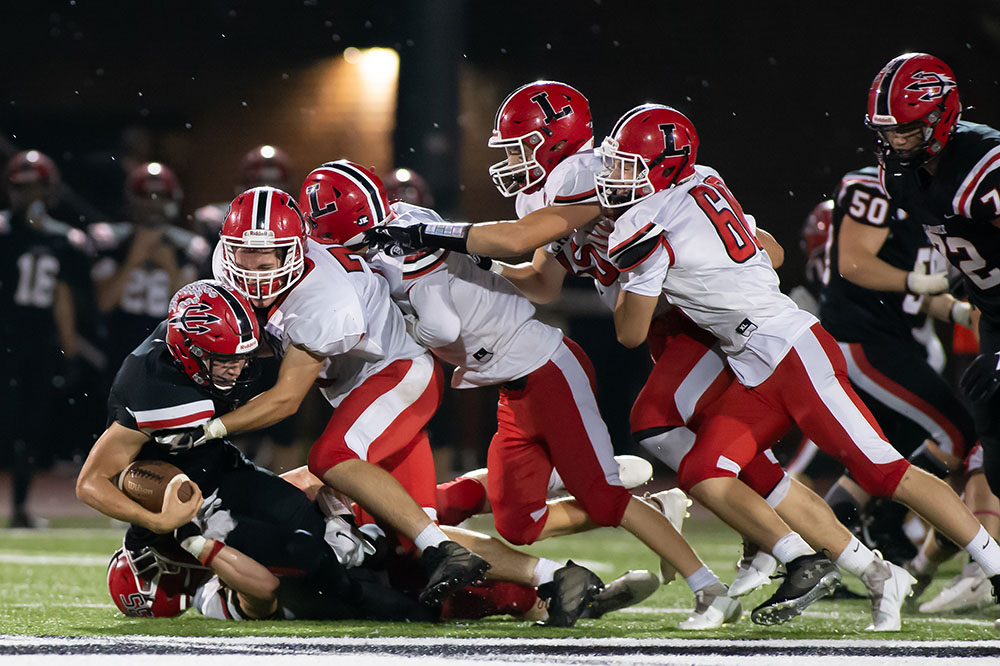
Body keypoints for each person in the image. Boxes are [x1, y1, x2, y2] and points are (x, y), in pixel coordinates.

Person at [599, 103, 1000, 617]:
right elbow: (769, 249)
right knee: (705, 472)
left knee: (882, 470)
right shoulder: (703, 179)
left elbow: (631, 334)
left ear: (664, 166)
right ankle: (860, 570)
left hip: (790, 351)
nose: (615, 178)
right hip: (753, 361)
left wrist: (636, 273)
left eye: (628, 165)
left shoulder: (642, 222)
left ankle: (993, 563)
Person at [301, 159, 732, 629]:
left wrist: (401, 329)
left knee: (604, 498)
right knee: (517, 523)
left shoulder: (402, 249)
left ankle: (708, 585)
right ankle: (628, 499)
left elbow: (441, 324)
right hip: (512, 388)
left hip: (547, 370)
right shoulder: (403, 223)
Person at [206, 186, 489, 606]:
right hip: (362, 389)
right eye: (241, 254)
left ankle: (443, 548)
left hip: (399, 375)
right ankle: (546, 578)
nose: (251, 270)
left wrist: (211, 427)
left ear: (295, 250)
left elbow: (286, 398)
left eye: (266, 258)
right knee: (402, 540)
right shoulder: (231, 263)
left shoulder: (323, 297)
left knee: (329, 459)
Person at [76, 280, 380, 616]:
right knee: (305, 552)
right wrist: (155, 520)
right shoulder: (151, 393)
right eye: (224, 359)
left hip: (223, 467)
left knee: (308, 521)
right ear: (188, 352)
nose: (238, 368)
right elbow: (90, 482)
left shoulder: (209, 347)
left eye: (243, 355)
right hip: (203, 501)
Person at [814, 166, 981, 564]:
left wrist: (958, 313)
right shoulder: (871, 186)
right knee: (955, 432)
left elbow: (921, 288)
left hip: (893, 340)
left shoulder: (932, 202)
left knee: (881, 455)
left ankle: (818, 551)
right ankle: (887, 522)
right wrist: (917, 284)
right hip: (862, 339)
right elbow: (853, 263)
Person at [865, 53, 1000, 502]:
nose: (898, 143)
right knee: (995, 458)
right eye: (889, 131)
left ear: (942, 118)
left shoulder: (985, 164)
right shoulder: (897, 177)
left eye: (908, 129)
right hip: (995, 316)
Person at [1, 150, 91, 528]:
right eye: (24, 188)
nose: (30, 195)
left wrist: (68, 344)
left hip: (36, 344)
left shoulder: (64, 239)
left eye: (36, 186)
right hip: (4, 339)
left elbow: (63, 295)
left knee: (30, 427)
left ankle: (20, 507)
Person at [89, 162, 209, 374]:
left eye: (160, 196)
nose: (153, 204)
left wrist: (171, 267)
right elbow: (104, 303)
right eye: (146, 196)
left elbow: (191, 315)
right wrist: (132, 260)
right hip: (120, 346)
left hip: (168, 352)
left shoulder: (188, 247)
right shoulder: (113, 241)